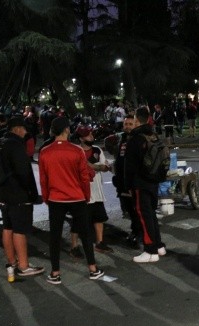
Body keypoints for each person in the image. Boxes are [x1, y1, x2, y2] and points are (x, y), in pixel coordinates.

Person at [38, 116, 105, 284]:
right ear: (67, 130)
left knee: (55, 236)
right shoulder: (76, 151)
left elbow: (43, 179)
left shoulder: (45, 152)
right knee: (85, 233)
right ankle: (92, 268)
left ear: (52, 131)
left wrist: (46, 197)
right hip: (76, 197)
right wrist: (85, 195)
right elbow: (84, 177)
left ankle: (55, 272)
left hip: (56, 198)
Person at [0, 116, 45, 279]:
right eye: (24, 130)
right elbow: (24, 173)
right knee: (19, 230)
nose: (25, 133)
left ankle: (12, 262)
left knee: (7, 228)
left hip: (3, 192)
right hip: (18, 195)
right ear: (17, 129)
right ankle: (24, 266)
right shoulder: (16, 145)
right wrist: (32, 194)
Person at [125, 107, 167, 263]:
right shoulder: (153, 135)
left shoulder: (135, 139)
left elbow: (129, 167)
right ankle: (159, 245)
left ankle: (150, 251)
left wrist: (128, 185)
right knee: (151, 215)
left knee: (144, 216)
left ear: (137, 119)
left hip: (140, 183)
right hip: (153, 181)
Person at [69, 125, 112, 255]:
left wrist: (91, 166)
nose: (91, 137)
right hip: (81, 192)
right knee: (78, 221)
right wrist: (95, 167)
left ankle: (100, 242)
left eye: (91, 134)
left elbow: (105, 167)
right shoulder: (75, 151)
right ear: (81, 138)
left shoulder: (97, 150)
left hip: (97, 192)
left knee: (99, 218)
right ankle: (74, 246)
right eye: (88, 135)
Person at [108, 114, 141, 246]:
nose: (127, 127)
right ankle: (135, 230)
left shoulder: (138, 139)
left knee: (136, 209)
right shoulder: (122, 138)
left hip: (134, 182)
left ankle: (138, 234)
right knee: (129, 209)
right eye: (125, 124)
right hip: (122, 182)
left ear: (136, 125)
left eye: (130, 124)